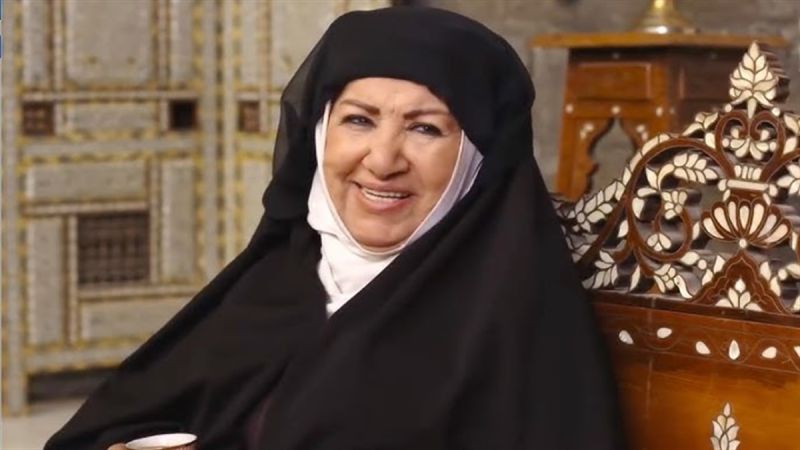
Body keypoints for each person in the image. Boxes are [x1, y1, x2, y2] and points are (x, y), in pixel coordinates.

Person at [46, 7, 623, 450]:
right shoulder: (273, 285)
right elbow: (114, 423)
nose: (382, 160)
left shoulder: (512, 324)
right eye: (358, 120)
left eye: (424, 129)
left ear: (479, 159)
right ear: (319, 133)